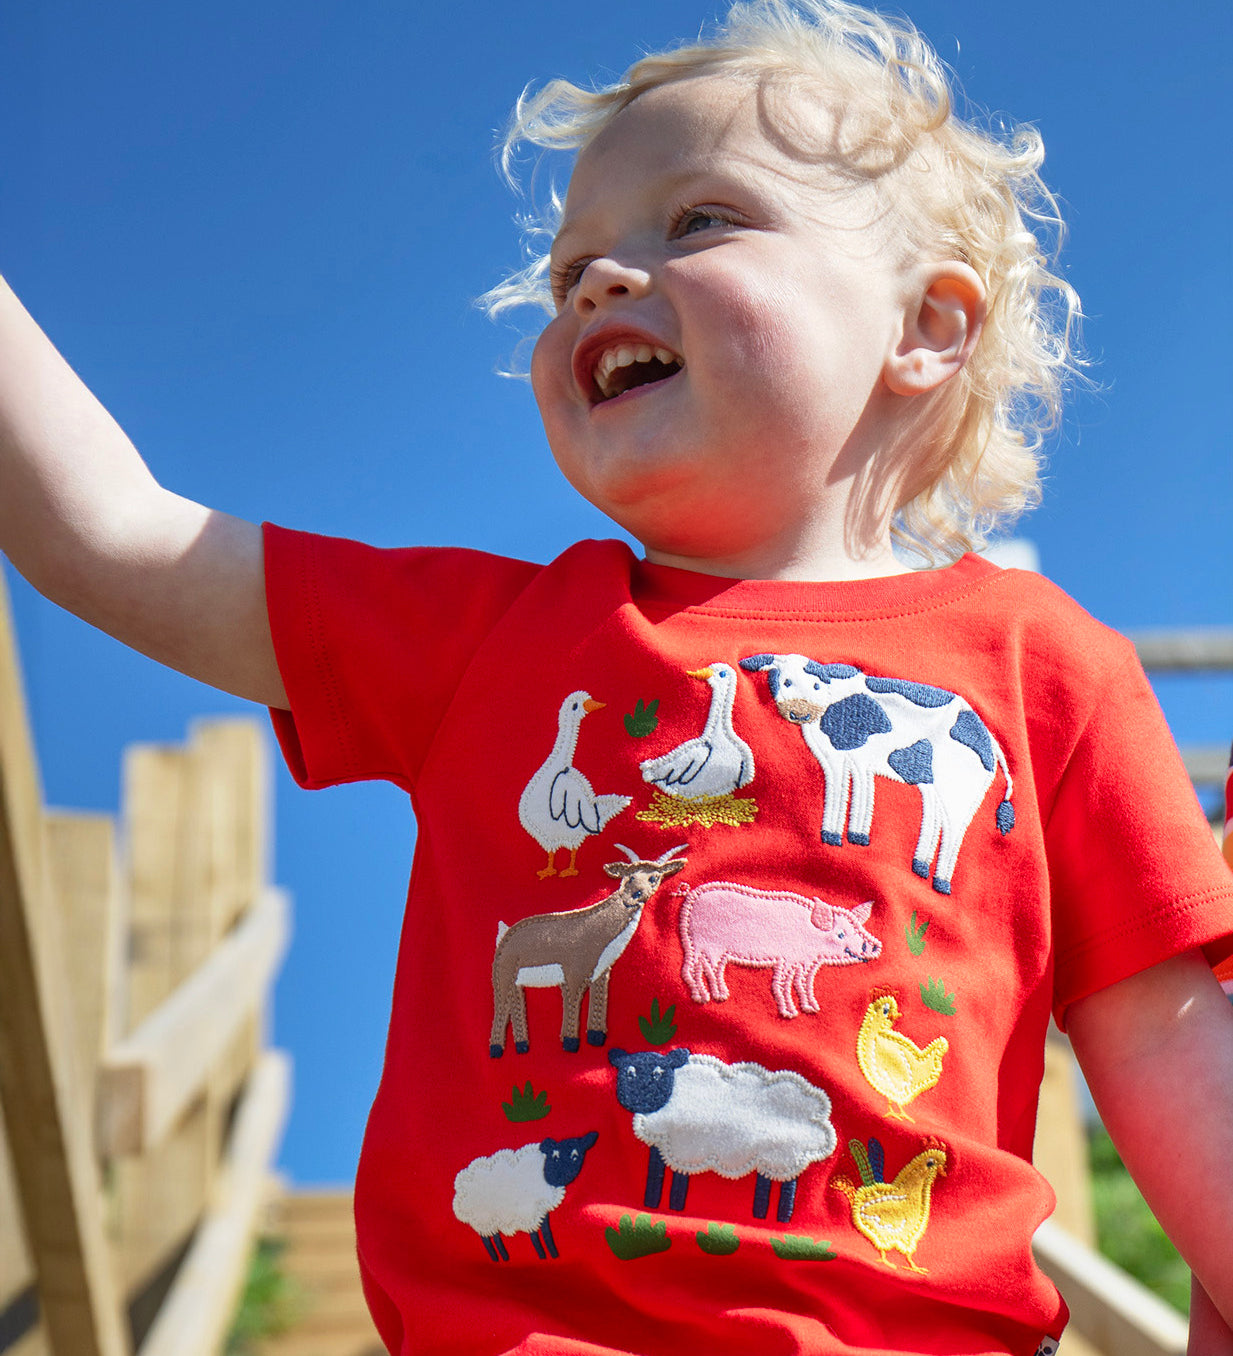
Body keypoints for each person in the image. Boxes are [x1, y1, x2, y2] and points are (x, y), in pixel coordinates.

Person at [2, 1, 1231, 1352]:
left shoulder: (1041, 667)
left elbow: (1167, 1037)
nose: (598, 281)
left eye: (699, 222)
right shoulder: (494, 639)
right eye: (569, 268)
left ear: (925, 330)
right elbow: (112, 536)